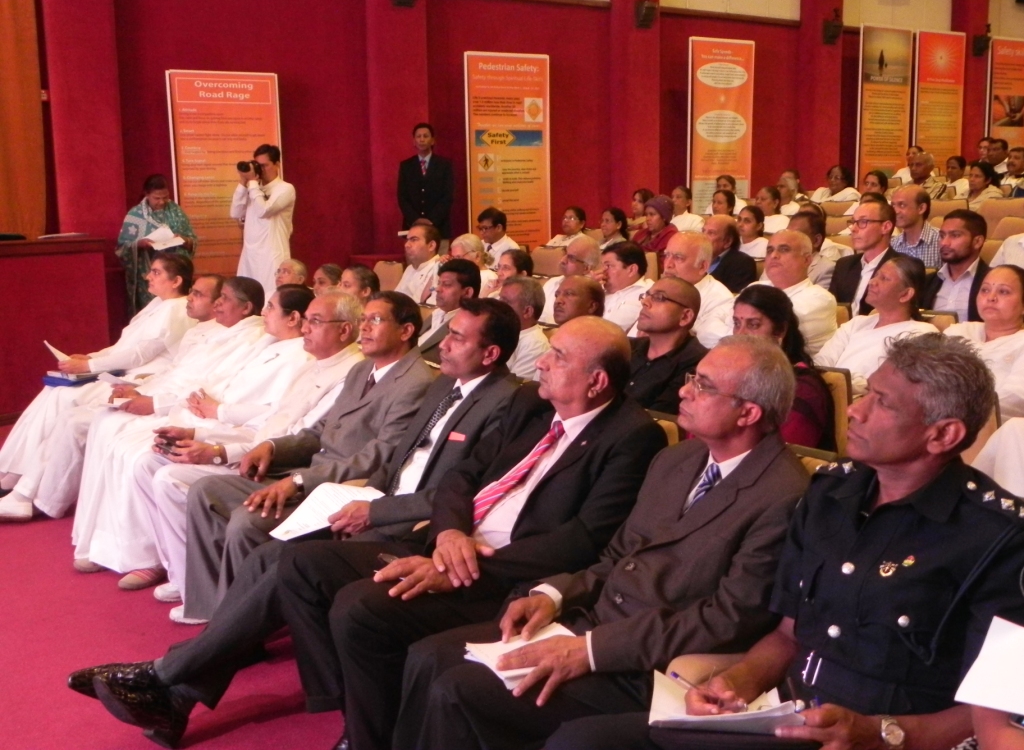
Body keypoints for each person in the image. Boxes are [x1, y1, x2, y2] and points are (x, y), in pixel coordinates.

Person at [69, 299, 522, 747]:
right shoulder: (446, 386)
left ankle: (167, 679)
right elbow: (392, 462)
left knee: (288, 562)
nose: (443, 344)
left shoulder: (505, 402)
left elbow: (462, 492)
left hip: (413, 528)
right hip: (368, 498)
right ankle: (177, 695)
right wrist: (359, 495)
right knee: (265, 556)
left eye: (457, 337)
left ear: (490, 353)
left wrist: (374, 509)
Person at [398, 336, 810, 750]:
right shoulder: (678, 459)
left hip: (647, 665)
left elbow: (725, 620)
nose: (685, 391)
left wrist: (591, 650)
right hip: (589, 621)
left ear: (748, 413)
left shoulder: (784, 496)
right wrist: (555, 594)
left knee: (458, 690)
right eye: (691, 378)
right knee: (429, 657)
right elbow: (619, 555)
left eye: (703, 385)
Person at [275, 316, 668, 750]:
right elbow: (461, 477)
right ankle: (355, 711)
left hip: (502, 573)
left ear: (596, 381)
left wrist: (464, 565)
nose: (541, 363)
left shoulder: (633, 436)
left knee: (361, 607)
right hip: (451, 543)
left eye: (558, 357)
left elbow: (583, 540)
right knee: (302, 561)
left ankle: (368, 735)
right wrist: (449, 535)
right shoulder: (532, 406)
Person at [676, 333, 1024, 750]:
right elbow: (789, 634)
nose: (855, 410)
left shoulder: (997, 538)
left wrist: (883, 734)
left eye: (883, 402)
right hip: (788, 721)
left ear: (943, 434)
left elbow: (991, 711)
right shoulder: (831, 492)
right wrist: (736, 684)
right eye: (866, 393)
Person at [177, 291, 435, 620]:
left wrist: (299, 481)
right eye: (363, 320)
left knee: (247, 521)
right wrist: (273, 447)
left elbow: (380, 455)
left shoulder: (415, 381)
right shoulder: (362, 370)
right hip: (311, 473)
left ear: (406, 330)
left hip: (344, 490)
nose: (365, 328)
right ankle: (214, 609)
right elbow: (321, 431)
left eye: (376, 320)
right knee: (206, 491)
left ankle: (238, 622)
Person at [133, 290, 366, 605]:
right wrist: (197, 432)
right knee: (148, 463)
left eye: (315, 321)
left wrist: (219, 452)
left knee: (170, 479)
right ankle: (184, 574)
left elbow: (300, 440)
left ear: (345, 330)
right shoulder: (317, 363)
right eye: (307, 320)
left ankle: (202, 589)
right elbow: (270, 419)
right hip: (255, 446)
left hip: (277, 465)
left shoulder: (349, 373)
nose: (305, 328)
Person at [70, 285, 315, 582]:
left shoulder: (301, 357)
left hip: (235, 432)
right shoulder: (266, 341)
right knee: (121, 441)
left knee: (139, 457)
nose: (264, 312)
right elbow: (215, 378)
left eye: (271, 307)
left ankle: (152, 559)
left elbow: (275, 413)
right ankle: (122, 546)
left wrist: (217, 412)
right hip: (203, 414)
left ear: (293, 318)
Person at [0, 255, 196, 522]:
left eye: (156, 272)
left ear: (176, 281)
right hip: (122, 371)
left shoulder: (177, 308)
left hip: (138, 380)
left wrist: (89, 365)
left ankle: (20, 481)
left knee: (65, 399)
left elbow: (139, 354)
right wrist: (89, 357)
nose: (148, 276)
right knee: (55, 392)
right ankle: (12, 472)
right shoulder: (157, 304)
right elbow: (122, 347)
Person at [815, 255, 937, 395]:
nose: (872, 282)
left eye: (884, 278)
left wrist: (840, 383)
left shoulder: (920, 334)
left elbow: (886, 384)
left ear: (906, 294)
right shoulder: (856, 323)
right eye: (876, 275)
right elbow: (820, 363)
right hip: (828, 394)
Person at [733, 285, 834, 450]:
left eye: (754, 325)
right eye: (737, 323)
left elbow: (783, 451)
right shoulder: (736, 375)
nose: (740, 334)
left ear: (779, 331)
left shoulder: (803, 388)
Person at [944, 265, 1024, 420]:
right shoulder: (958, 331)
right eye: (985, 290)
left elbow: (1015, 401)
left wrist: (955, 414)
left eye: (1003, 291)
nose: (991, 297)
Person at [116, 174, 198, 315]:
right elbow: (121, 248)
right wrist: (139, 244)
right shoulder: (135, 215)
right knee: (153, 313)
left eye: (165, 197)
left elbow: (192, 239)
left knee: (177, 311)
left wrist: (185, 240)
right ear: (146, 194)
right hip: (150, 275)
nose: (161, 202)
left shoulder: (176, 212)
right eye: (157, 198)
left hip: (176, 273)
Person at [626, 277, 708, 412]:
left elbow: (661, 417)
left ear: (685, 316)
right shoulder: (627, 347)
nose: (645, 302)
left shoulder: (698, 363)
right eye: (646, 295)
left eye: (659, 298)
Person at [751, 230, 837, 355]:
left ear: (806, 260)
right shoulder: (755, 287)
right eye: (770, 250)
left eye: (784, 249)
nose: (774, 255)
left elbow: (768, 336)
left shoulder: (821, 299)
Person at [230, 143, 296, 300]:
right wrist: (243, 182)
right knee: (245, 299)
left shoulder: (285, 188)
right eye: (258, 166)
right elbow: (235, 213)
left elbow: (263, 211)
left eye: (265, 165)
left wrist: (253, 183)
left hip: (271, 255)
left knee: (269, 299)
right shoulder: (253, 188)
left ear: (277, 164)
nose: (261, 170)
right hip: (249, 255)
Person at [656, 232, 733, 348]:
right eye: (666, 255)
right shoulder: (658, 289)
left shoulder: (720, 300)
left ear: (702, 266)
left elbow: (710, 347)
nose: (668, 265)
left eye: (678, 258)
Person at [829, 199, 901, 315]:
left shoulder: (902, 267)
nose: (853, 229)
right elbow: (833, 309)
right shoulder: (844, 265)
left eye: (863, 222)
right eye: (853, 222)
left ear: (885, 227)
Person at [921, 209, 989, 322]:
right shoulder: (927, 282)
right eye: (942, 236)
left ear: (977, 242)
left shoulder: (991, 282)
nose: (944, 243)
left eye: (955, 235)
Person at [397, 122, 454, 238]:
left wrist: (432, 220)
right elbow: (402, 196)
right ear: (414, 141)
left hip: (439, 227)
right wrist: (416, 219)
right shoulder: (406, 166)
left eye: (425, 136)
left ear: (432, 140)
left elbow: (448, 196)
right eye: (418, 136)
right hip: (412, 226)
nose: (422, 139)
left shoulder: (444, 165)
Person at [419, 259, 481, 364]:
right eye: (439, 283)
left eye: (446, 284)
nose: (438, 289)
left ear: (467, 292)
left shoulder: (469, 328)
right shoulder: (438, 313)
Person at [539, 235, 601, 324]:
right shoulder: (551, 283)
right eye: (565, 254)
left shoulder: (594, 293)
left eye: (571, 258)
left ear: (586, 268)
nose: (563, 260)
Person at [498, 277, 550, 381]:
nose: (497, 306)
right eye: (499, 299)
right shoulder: (498, 331)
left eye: (506, 302)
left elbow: (512, 386)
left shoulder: (535, 344)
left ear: (527, 312)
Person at [598, 242, 653, 332]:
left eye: (608, 266)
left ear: (631, 270)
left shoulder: (650, 293)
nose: (602, 271)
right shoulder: (597, 291)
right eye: (602, 266)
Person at [890, 185, 942, 269]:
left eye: (902, 205)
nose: (895, 211)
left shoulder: (941, 241)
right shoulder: (892, 245)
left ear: (921, 208)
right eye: (893, 206)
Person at [705, 215, 756, 293]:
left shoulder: (742, 263)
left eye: (711, 233)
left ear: (728, 241)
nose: (702, 236)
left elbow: (733, 296)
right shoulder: (695, 258)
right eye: (703, 231)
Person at [787, 210, 836, 288]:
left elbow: (819, 296)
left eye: (796, 235)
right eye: (787, 234)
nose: (787, 240)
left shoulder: (827, 269)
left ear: (816, 240)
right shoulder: (778, 261)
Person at [394, 224, 441, 304]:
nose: (406, 245)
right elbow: (396, 298)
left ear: (431, 246)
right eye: (407, 240)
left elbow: (426, 305)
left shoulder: (440, 268)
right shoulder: (410, 268)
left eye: (414, 240)